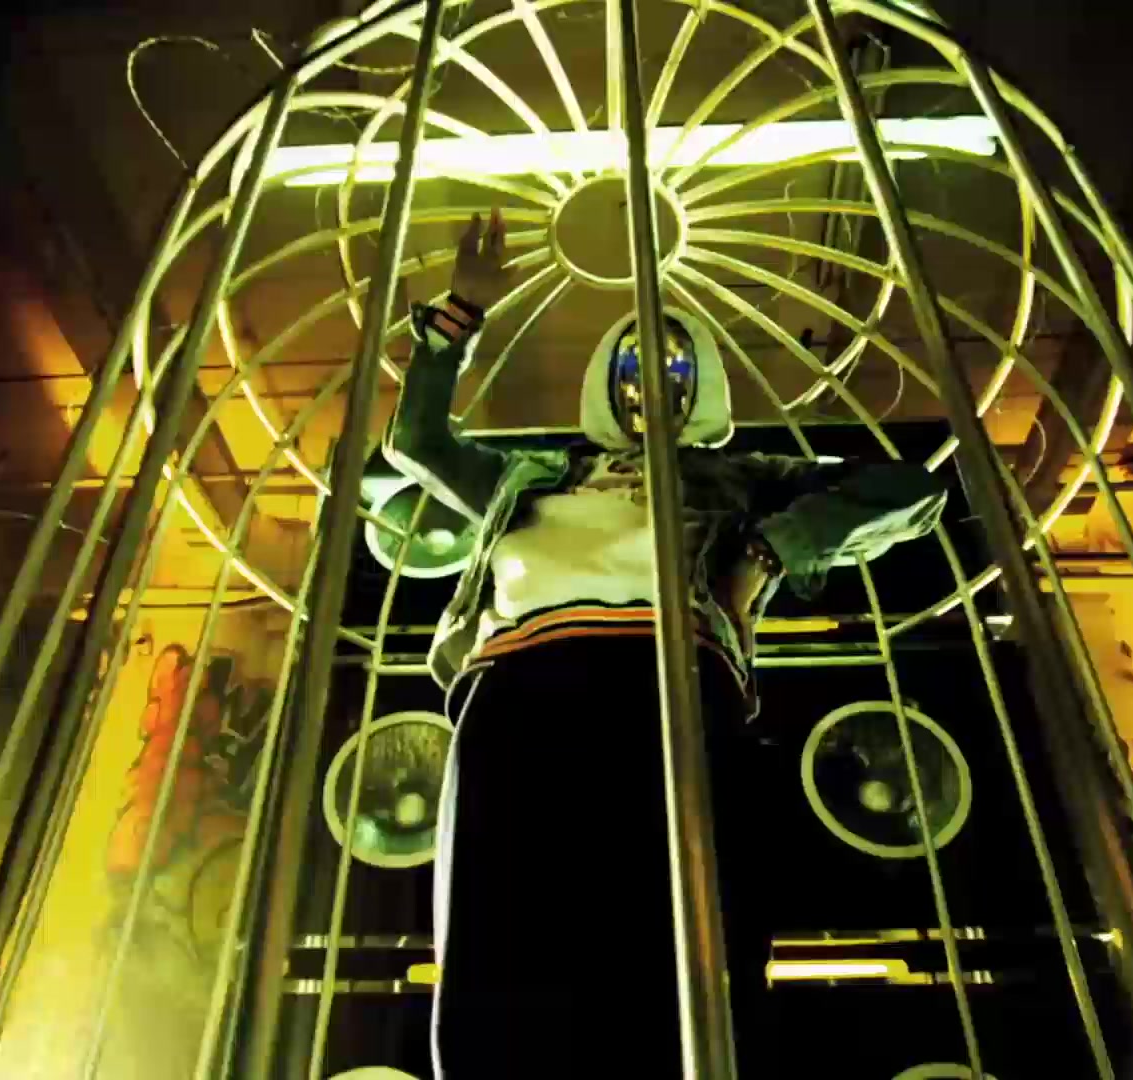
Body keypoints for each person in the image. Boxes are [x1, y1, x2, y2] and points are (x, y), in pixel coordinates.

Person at [386, 209, 950, 1077]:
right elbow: (416, 443)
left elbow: (910, 490)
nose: (651, 384)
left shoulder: (745, 479)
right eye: (634, 368)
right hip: (518, 689)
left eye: (675, 369)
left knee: (679, 926)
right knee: (501, 926)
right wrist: (462, 312)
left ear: (705, 385)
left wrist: (768, 551)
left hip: (665, 682)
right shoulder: (530, 475)